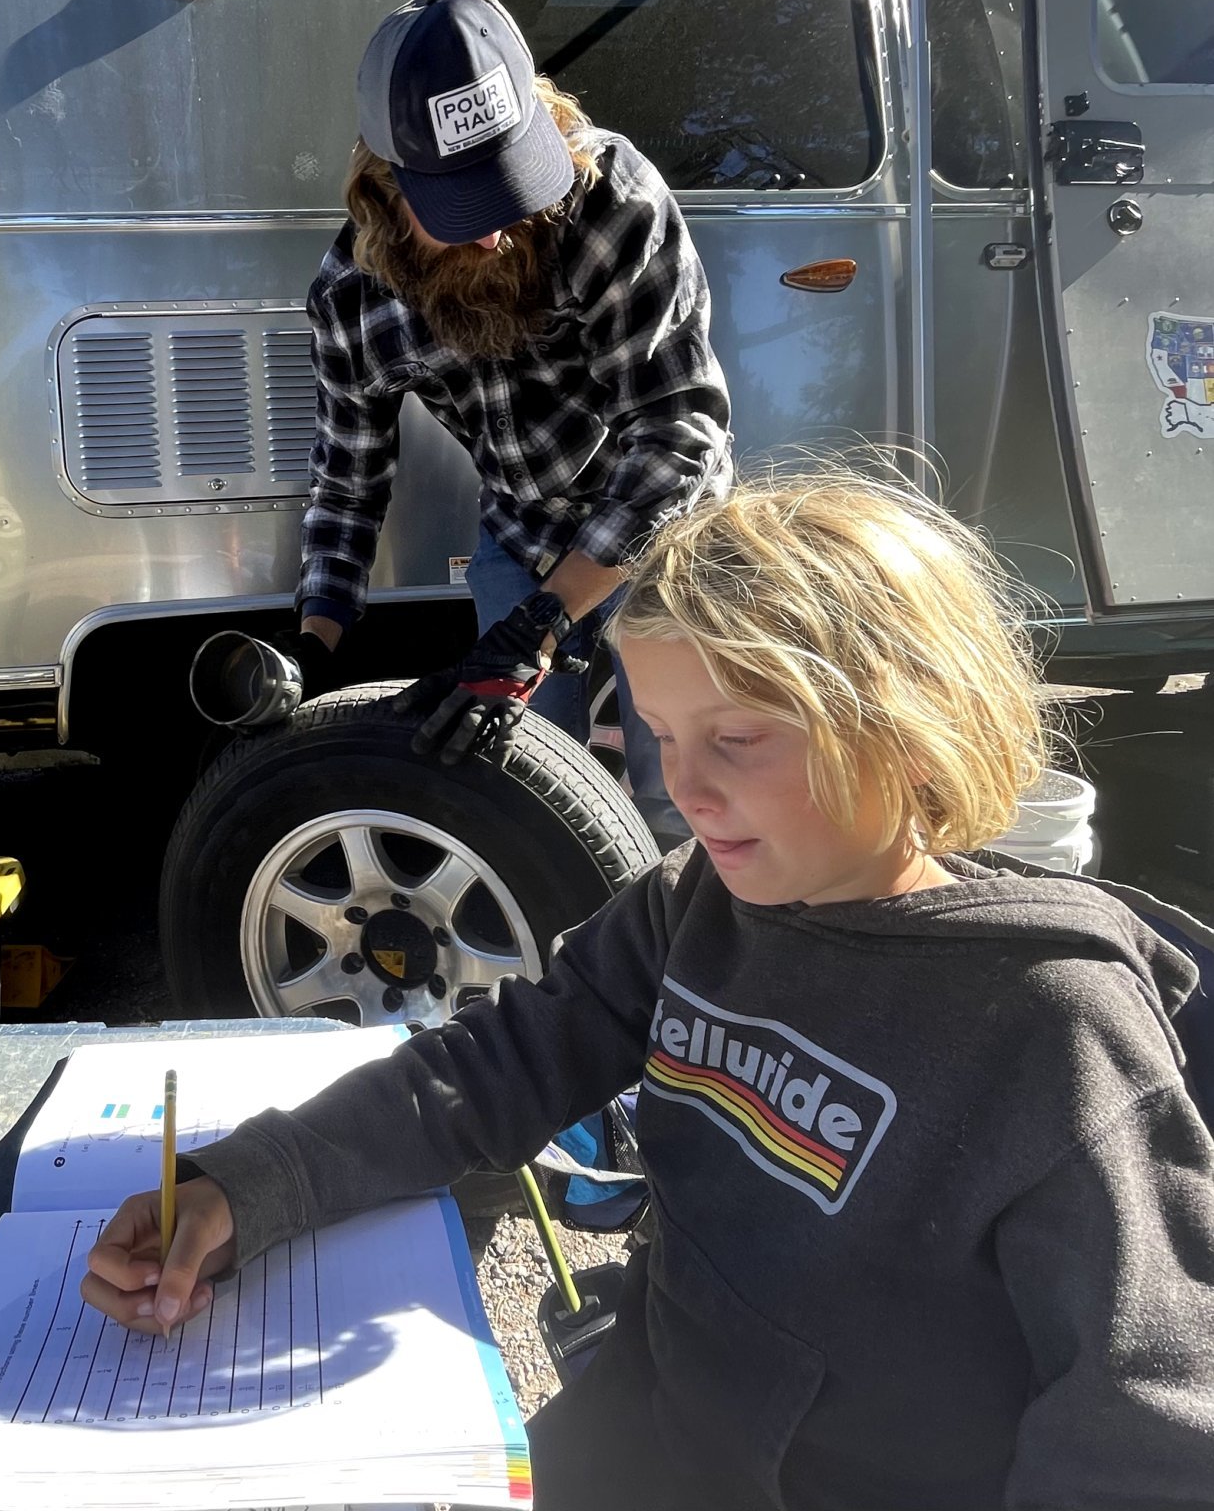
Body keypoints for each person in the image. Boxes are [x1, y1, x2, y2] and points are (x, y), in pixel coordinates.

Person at [85, 470, 1214, 1509]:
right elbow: (486, 1067)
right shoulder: (692, 907)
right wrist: (254, 1181)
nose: (689, 786)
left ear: (912, 722)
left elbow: (1139, 1416)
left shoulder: (1051, 1024)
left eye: (738, 737)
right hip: (639, 1435)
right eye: (661, 731)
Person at [289, 0, 731, 843]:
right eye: (460, 207)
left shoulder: (608, 199)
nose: (495, 231)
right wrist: (313, 651)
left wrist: (544, 622)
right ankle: (584, 970)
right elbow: (346, 489)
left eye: (508, 186)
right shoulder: (352, 299)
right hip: (521, 537)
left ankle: (704, 968)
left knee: (687, 793)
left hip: (665, 532)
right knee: (528, 800)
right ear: (384, 187)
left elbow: (678, 428)